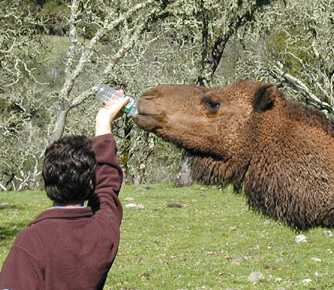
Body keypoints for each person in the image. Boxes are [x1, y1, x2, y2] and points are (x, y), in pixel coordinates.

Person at [0, 92, 129, 290]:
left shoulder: (32, 241)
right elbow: (107, 185)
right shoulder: (104, 229)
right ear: (90, 184)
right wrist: (103, 120)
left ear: (46, 180)